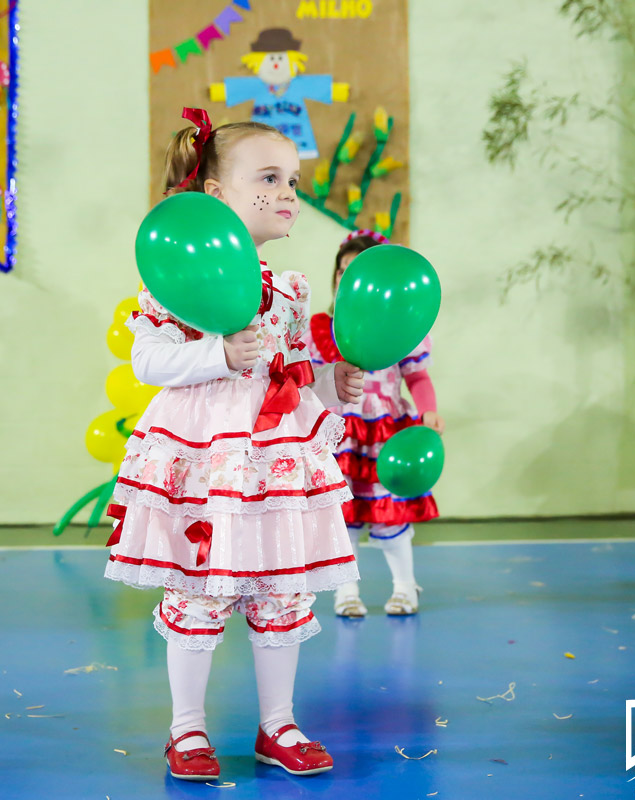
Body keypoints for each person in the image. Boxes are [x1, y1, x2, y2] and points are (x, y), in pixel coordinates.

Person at [104, 108, 366, 780]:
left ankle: (278, 723)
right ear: (216, 194)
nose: (288, 192)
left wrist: (336, 385)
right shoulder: (176, 276)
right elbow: (148, 361)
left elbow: (295, 374)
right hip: (206, 457)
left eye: (294, 180)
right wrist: (216, 354)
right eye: (269, 178)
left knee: (282, 591)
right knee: (199, 591)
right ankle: (186, 729)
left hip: (273, 458)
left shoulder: (290, 290)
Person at [303, 231, 441, 617]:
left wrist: (429, 410)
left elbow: (417, 377)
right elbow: (308, 381)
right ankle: (345, 590)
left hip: (383, 433)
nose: (347, 279)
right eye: (342, 271)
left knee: (389, 513)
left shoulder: (397, 326)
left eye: (357, 271)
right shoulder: (320, 329)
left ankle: (405, 586)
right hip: (337, 435)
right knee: (342, 515)